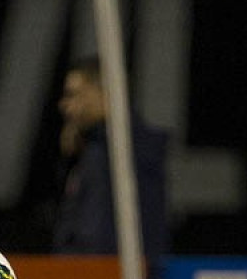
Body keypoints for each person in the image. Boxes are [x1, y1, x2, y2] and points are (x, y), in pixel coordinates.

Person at [53, 55, 169, 259]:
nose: (64, 105)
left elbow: (97, 236)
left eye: (74, 95)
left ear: (106, 94)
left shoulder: (120, 152)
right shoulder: (94, 149)